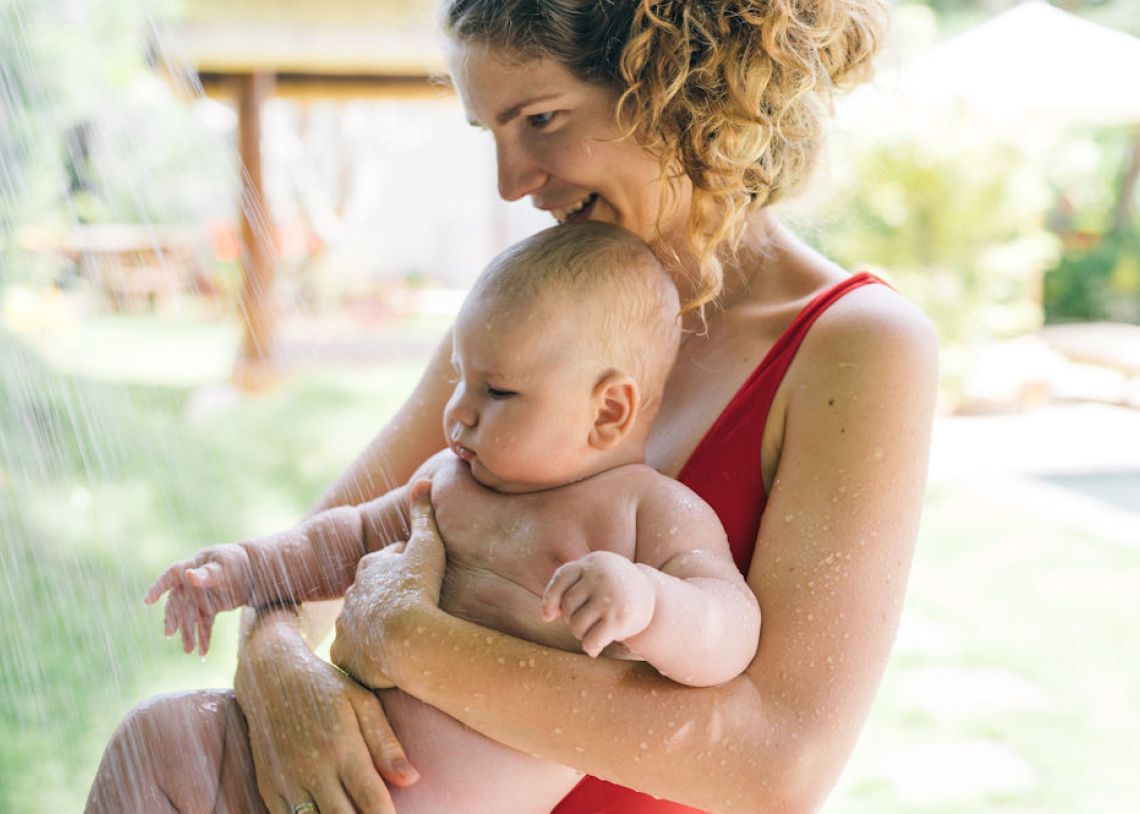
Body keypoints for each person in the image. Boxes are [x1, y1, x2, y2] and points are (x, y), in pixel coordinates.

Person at [85, 1, 939, 813]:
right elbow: (319, 559)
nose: (511, 182)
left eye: (540, 120)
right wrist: (276, 670)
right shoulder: (532, 316)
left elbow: (777, 765)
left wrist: (409, 642)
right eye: (490, 130)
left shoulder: (858, 346)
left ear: (679, 87)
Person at [139, 222, 761, 814]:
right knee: (154, 740)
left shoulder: (647, 513)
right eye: (460, 378)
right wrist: (243, 569)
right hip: (321, 775)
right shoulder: (448, 481)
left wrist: (650, 603)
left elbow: (729, 631)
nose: (458, 412)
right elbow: (345, 539)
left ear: (608, 411)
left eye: (497, 392)